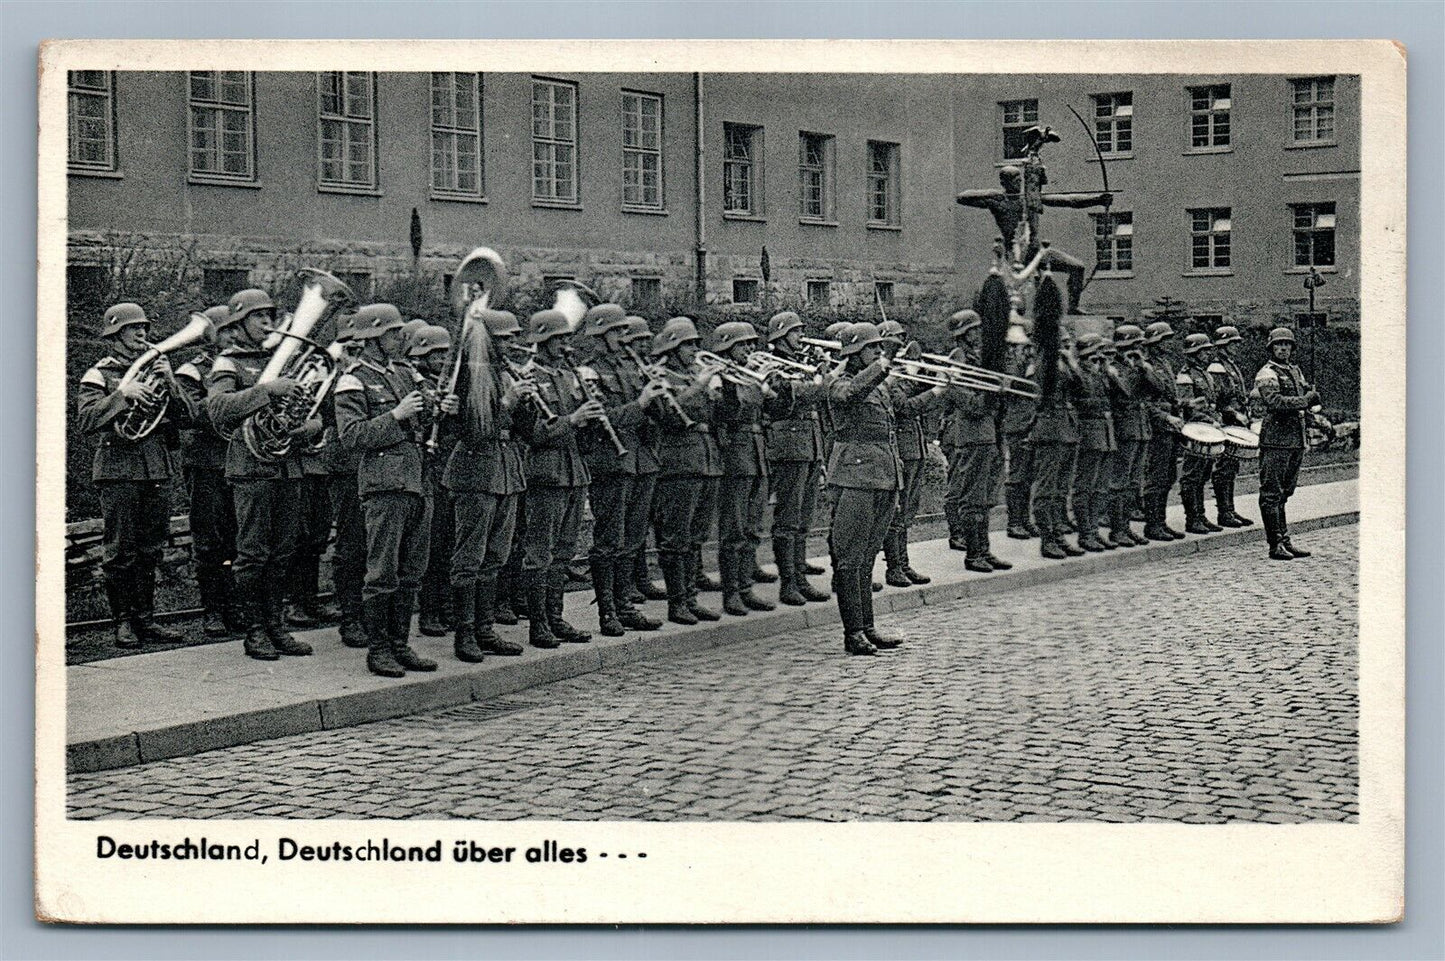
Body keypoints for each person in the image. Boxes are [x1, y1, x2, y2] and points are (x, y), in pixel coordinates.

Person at [77, 302, 196, 649]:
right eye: (133, 329)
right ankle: (123, 622)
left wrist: (170, 381)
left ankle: (146, 620)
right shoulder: (99, 374)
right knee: (120, 550)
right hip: (118, 469)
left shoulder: (158, 370)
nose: (142, 334)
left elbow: (188, 418)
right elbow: (85, 420)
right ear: (115, 334)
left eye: (144, 328)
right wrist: (122, 395)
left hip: (155, 468)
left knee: (150, 548)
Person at [207, 289, 316, 661]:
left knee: (284, 550)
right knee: (253, 553)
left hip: (288, 467)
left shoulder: (286, 361)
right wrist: (266, 390)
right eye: (260, 317)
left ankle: (276, 625)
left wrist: (305, 427)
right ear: (239, 323)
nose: (269, 323)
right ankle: (255, 630)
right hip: (251, 468)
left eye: (271, 316)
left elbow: (315, 411)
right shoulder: (228, 362)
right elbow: (218, 409)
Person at [332, 303, 439, 678]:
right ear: (375, 336)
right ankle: (378, 650)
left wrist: (436, 408)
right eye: (394, 333)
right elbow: (351, 436)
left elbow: (425, 421)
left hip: (417, 481)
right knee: (382, 572)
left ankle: (399, 644)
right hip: (383, 484)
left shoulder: (406, 373)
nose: (401, 338)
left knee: (412, 570)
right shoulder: (353, 379)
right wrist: (395, 416)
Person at [825, 323, 942, 655]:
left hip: (884, 476)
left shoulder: (878, 385)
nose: (879, 353)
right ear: (855, 353)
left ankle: (868, 627)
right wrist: (882, 367)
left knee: (866, 558)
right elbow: (849, 395)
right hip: (854, 477)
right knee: (849, 558)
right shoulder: (839, 380)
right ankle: (853, 633)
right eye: (872, 349)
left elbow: (901, 408)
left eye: (880, 349)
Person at [441, 308, 535, 661]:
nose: (513, 343)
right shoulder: (470, 375)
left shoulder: (501, 373)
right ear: (491, 341)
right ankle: (465, 633)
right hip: (476, 471)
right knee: (470, 555)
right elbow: (477, 431)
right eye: (506, 338)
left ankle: (484, 628)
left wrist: (525, 400)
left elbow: (525, 429)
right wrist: (509, 402)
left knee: (495, 555)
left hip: (505, 471)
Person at [577, 303, 668, 636]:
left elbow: (656, 417)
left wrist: (658, 392)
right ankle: (607, 611)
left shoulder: (632, 366)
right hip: (610, 461)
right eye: (617, 332)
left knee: (632, 537)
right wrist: (642, 401)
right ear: (601, 335)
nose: (624, 338)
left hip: (641, 460)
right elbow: (603, 420)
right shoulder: (588, 372)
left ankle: (626, 604)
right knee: (609, 539)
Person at [517, 309, 604, 647]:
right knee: (540, 551)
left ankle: (556, 617)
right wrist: (574, 419)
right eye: (560, 339)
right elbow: (534, 433)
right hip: (545, 472)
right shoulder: (528, 378)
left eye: (568, 338)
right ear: (542, 340)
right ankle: (538, 625)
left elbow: (580, 430)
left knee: (565, 550)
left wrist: (592, 421)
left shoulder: (569, 375)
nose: (567, 344)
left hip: (573, 471)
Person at [710, 321, 793, 617]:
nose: (749, 349)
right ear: (727, 347)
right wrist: (754, 387)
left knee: (752, 527)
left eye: (750, 344)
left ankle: (746, 587)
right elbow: (727, 413)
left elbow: (779, 411)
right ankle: (732, 592)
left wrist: (777, 388)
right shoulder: (722, 377)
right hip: (735, 452)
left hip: (758, 453)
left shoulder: (751, 375)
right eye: (742, 345)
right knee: (734, 528)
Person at [649, 317, 727, 625]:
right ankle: (677, 602)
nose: (695, 350)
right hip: (678, 462)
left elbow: (722, 415)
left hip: (706, 460)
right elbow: (668, 414)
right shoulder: (660, 375)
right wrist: (699, 386)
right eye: (688, 345)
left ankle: (691, 598)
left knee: (696, 536)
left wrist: (724, 390)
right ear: (672, 346)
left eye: (695, 343)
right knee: (675, 537)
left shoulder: (697, 374)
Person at [174, 304, 243, 638]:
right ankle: (212, 610)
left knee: (236, 538)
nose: (232, 336)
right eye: (226, 330)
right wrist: (230, 407)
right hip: (205, 463)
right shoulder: (192, 369)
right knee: (208, 540)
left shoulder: (243, 364)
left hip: (240, 460)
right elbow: (187, 413)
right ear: (211, 334)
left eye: (235, 330)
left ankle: (233, 606)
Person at [764, 311, 832, 605]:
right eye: (795, 332)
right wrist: (820, 380)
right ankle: (788, 583)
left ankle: (800, 575)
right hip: (789, 443)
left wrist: (821, 368)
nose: (800, 336)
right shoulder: (770, 364)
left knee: (804, 516)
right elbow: (789, 394)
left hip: (809, 441)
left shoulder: (802, 361)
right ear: (780, 335)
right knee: (789, 517)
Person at [940, 309, 1013, 572]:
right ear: (963, 334)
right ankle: (973, 554)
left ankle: (984, 549)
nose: (979, 334)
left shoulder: (977, 359)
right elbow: (969, 403)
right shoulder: (957, 361)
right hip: (971, 436)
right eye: (974, 330)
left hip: (988, 434)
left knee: (986, 497)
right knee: (973, 497)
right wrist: (993, 393)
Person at [319, 316, 368, 649]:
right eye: (350, 347)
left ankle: (369, 612)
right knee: (351, 542)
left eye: (361, 347)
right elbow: (321, 413)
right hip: (346, 466)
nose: (356, 353)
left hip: (377, 465)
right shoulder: (332, 375)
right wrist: (338, 371)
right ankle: (350, 616)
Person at [407, 324, 458, 637]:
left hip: (451, 471)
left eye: (444, 353)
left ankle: (445, 606)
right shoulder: (417, 384)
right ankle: (429, 611)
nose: (441, 359)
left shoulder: (451, 384)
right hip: (428, 470)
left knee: (450, 543)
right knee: (433, 547)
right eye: (434, 353)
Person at [880, 320, 936, 587]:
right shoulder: (888, 377)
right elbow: (903, 407)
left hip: (915, 447)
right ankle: (894, 567)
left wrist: (931, 378)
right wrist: (932, 390)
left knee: (908, 511)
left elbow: (923, 399)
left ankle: (903, 563)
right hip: (902, 449)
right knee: (897, 511)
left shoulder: (906, 374)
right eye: (897, 340)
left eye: (904, 339)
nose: (903, 344)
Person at [618, 318, 670, 605]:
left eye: (644, 340)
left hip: (648, 453)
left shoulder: (641, 370)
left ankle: (640, 580)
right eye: (636, 341)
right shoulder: (618, 371)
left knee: (641, 524)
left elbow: (661, 415)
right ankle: (626, 585)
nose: (642, 346)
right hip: (626, 454)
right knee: (625, 526)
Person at [1255, 327, 1317, 560]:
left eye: (1287, 345)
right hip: (1276, 439)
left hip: (1294, 439)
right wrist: (1305, 400)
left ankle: (1285, 539)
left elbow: (1302, 404)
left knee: (1285, 493)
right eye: (1279, 345)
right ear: (1271, 348)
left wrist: (1312, 411)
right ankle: (1275, 543)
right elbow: (1274, 401)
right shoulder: (1267, 373)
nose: (1283, 348)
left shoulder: (1294, 370)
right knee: (1271, 492)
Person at [1031, 328, 1085, 560]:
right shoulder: (1041, 363)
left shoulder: (1062, 362)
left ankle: (1058, 535)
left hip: (1065, 429)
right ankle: (1048, 539)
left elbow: (1080, 387)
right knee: (1047, 489)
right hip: (1049, 430)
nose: (1064, 345)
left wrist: (1071, 362)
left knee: (1060, 489)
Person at [1104, 324, 1152, 548]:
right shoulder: (1113, 368)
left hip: (1141, 429)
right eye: (1137, 345)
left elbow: (1158, 388)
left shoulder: (1137, 367)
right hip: (1125, 430)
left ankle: (1127, 527)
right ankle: (1118, 529)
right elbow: (1127, 391)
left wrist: (1143, 367)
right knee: (1120, 483)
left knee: (1134, 483)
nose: (1141, 349)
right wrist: (1135, 368)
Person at [1069, 334, 1118, 553]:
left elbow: (1120, 394)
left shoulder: (1101, 373)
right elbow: (1082, 401)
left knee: (1101, 487)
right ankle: (1085, 533)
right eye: (1097, 352)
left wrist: (1107, 371)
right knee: (1085, 485)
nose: (1102, 356)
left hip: (1105, 433)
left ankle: (1094, 530)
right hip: (1089, 433)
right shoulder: (1078, 373)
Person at [1139, 321, 1186, 542]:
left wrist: (1185, 406)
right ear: (1155, 342)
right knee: (1156, 478)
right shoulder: (1145, 366)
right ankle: (1153, 524)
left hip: (1170, 428)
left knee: (1168, 476)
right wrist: (1167, 417)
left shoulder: (1164, 363)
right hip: (1158, 428)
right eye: (1165, 339)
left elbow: (1171, 398)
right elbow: (1146, 404)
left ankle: (1161, 522)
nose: (1169, 343)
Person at [1176, 333, 1224, 535]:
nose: (1208, 354)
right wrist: (1209, 420)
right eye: (1203, 351)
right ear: (1194, 353)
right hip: (1196, 429)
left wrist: (1217, 418)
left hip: (1209, 429)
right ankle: (1192, 518)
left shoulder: (1205, 373)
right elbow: (1190, 408)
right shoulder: (1186, 376)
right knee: (1191, 475)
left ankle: (1201, 515)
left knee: (1203, 473)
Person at [1209, 324, 1255, 528]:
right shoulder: (1217, 367)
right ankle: (1224, 512)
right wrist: (1233, 413)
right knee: (1224, 468)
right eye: (1232, 343)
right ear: (1223, 345)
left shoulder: (1229, 364)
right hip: (1227, 420)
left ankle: (1230, 510)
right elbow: (1217, 398)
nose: (1236, 347)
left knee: (1231, 467)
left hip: (1236, 419)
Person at [1001, 325, 1040, 540]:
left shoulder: (1029, 362)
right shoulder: (1010, 362)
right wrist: (1025, 365)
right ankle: (1014, 522)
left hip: (1033, 422)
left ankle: (1025, 519)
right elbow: (1011, 386)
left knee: (1028, 476)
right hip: (1017, 423)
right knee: (1017, 475)